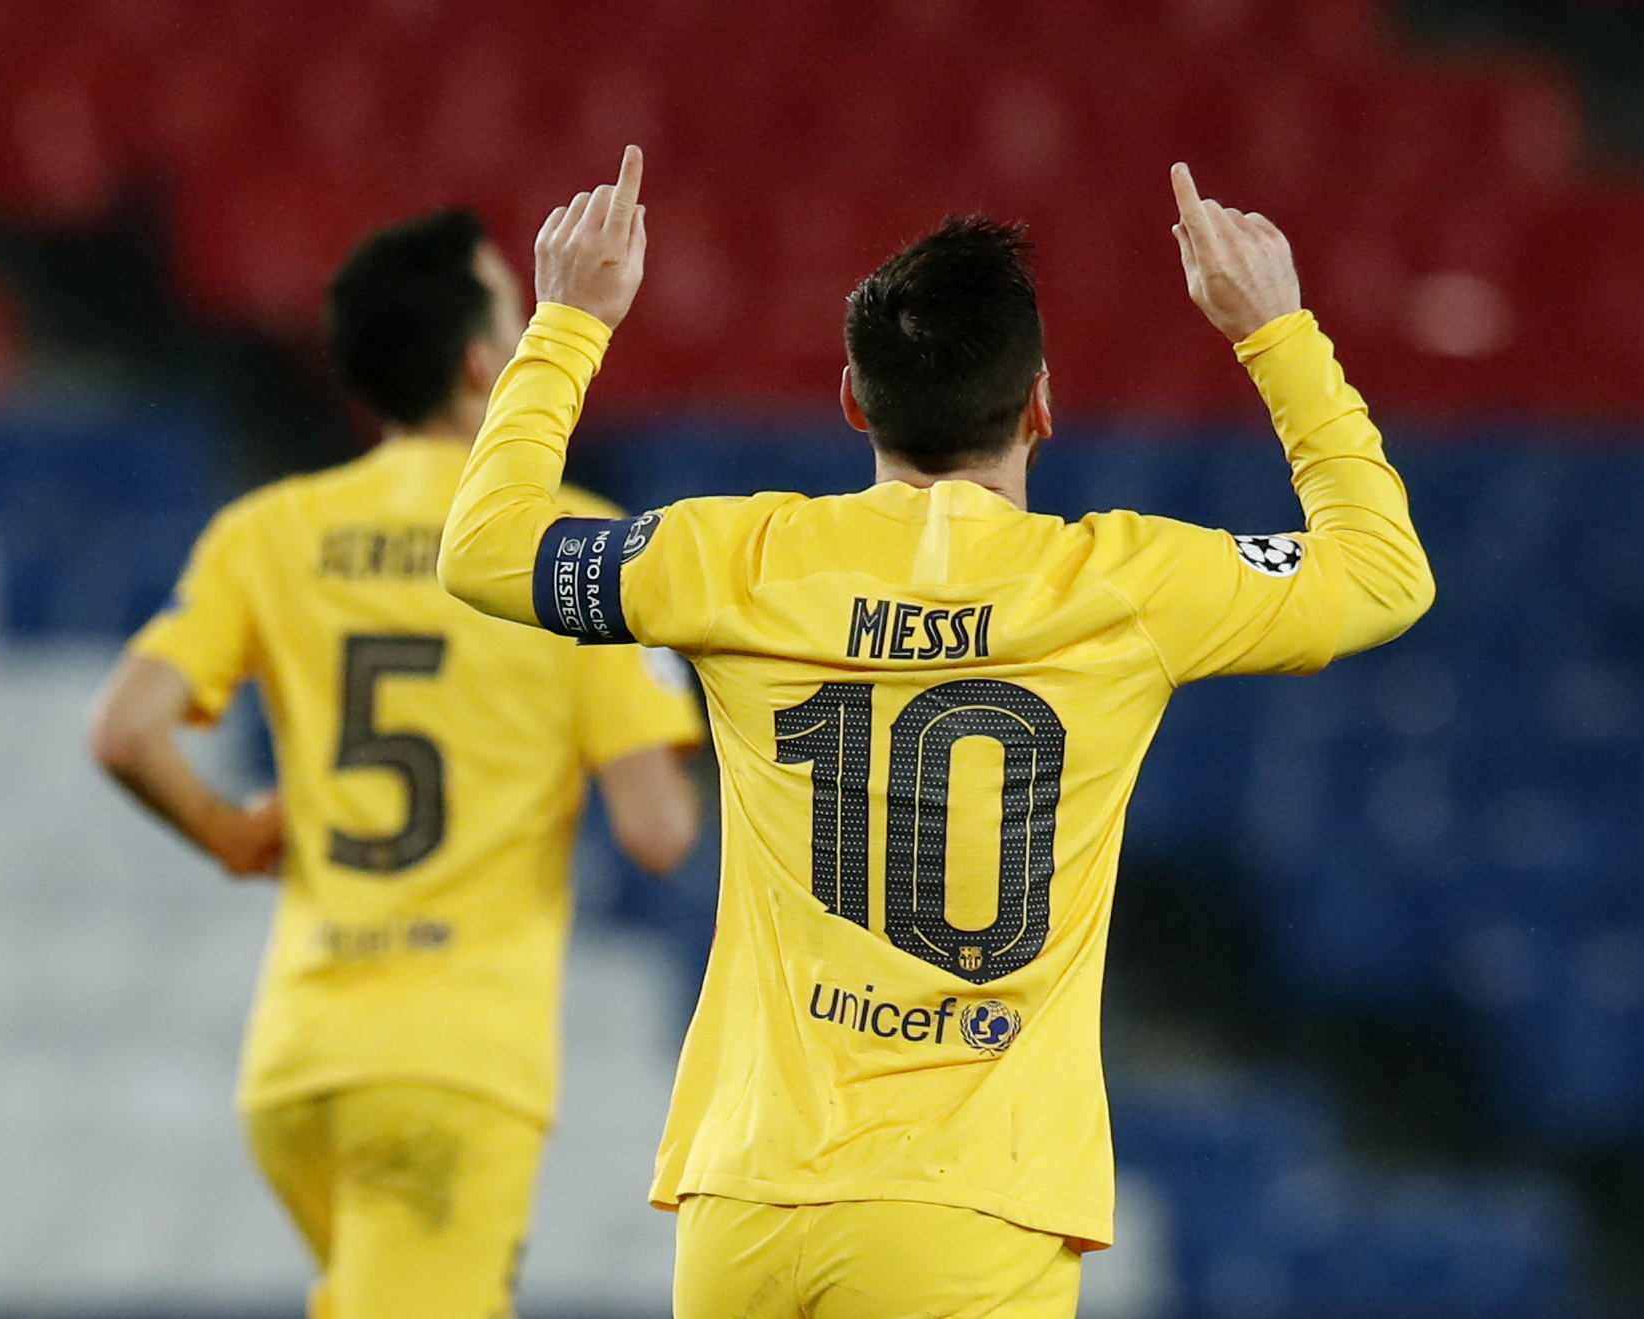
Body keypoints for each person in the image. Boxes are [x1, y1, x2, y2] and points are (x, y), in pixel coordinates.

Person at [438, 147, 1434, 1318]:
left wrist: (566, 324)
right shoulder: (1121, 585)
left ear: (854, 401)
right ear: (1040, 403)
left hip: (747, 1204)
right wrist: (1274, 331)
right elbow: (1382, 572)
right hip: (971, 1207)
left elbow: (487, 549)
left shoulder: (739, 559)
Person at [88, 206, 705, 1319]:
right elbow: (657, 832)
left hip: (299, 1062)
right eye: (518, 318)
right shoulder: (576, 547)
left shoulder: (270, 529)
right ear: (484, 362)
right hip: (451, 1069)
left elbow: (125, 728)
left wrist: (231, 834)